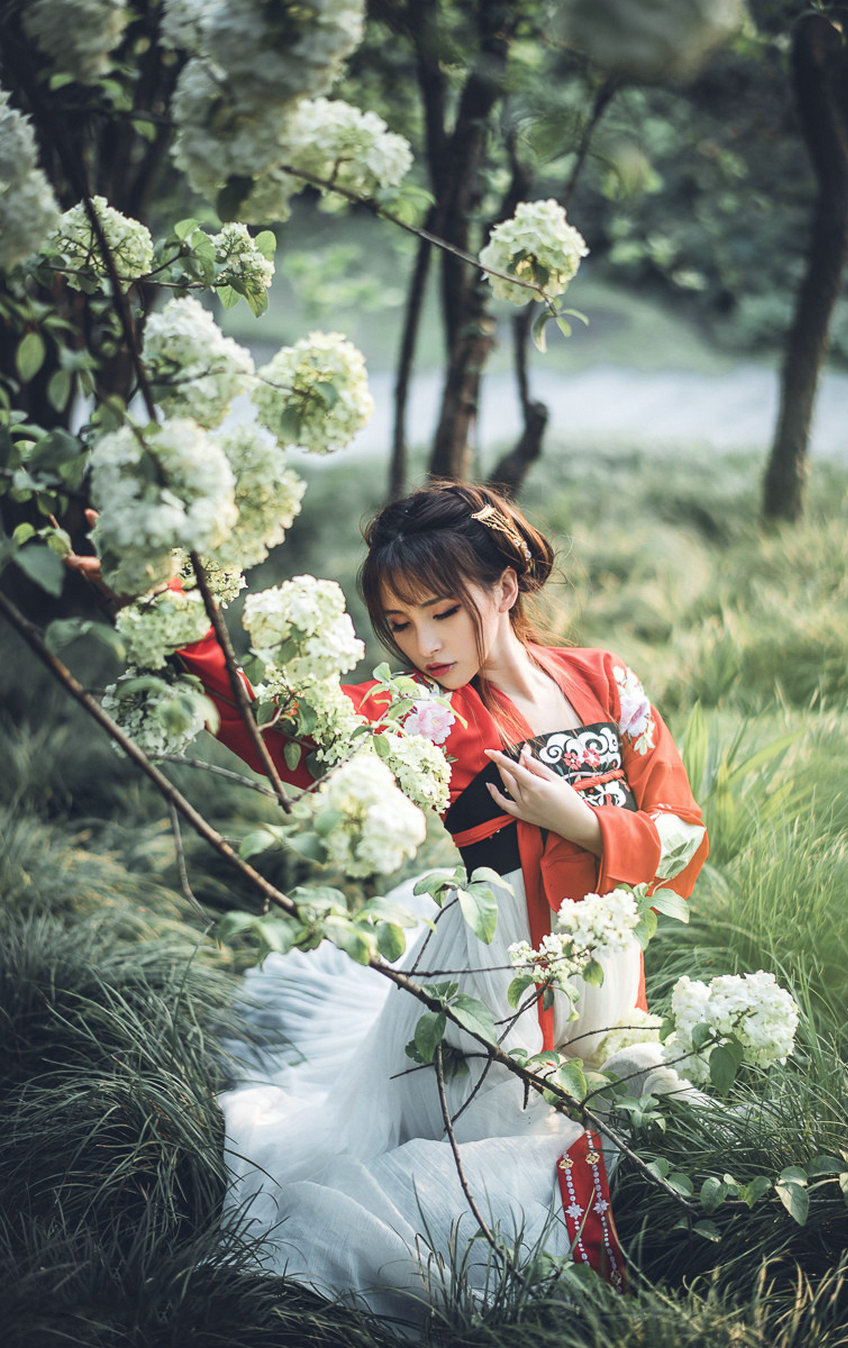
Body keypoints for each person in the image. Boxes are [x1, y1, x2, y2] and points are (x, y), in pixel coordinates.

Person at [71, 483, 708, 1323]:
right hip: (493, 973)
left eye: (443, 612)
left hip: (605, 963)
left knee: (648, 1127)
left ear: (506, 588)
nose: (426, 644)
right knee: (499, 1161)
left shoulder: (603, 679)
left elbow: (685, 833)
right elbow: (282, 735)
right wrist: (164, 605)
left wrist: (580, 821)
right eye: (400, 625)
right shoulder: (428, 713)